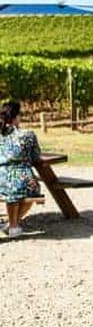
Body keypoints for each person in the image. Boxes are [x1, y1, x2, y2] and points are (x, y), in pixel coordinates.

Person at [0, 100, 42, 238]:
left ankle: (11, 225)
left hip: (1, 180)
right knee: (33, 189)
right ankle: (14, 225)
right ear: (16, 116)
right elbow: (36, 157)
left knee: (10, 190)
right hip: (23, 179)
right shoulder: (28, 135)